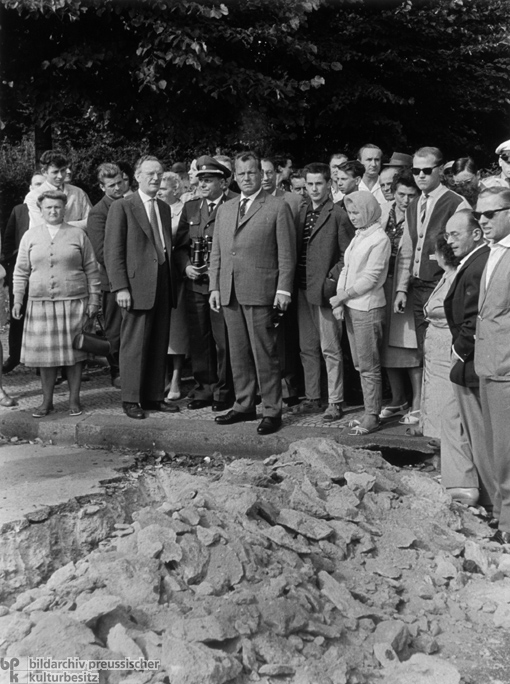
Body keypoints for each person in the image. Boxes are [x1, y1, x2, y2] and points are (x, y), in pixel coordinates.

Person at [209, 151, 296, 435]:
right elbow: (217, 252)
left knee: (265, 353)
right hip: (229, 290)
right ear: (234, 176)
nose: (246, 178)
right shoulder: (225, 208)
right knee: (238, 353)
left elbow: (287, 253)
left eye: (251, 172)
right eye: (241, 173)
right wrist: (214, 287)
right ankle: (244, 404)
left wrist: (283, 289)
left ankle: (272, 410)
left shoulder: (276, 207)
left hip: (261, 291)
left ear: (261, 174)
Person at [104, 155, 187, 420]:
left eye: (159, 174)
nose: (155, 178)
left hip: (163, 283)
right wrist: (120, 288)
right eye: (150, 173)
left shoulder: (162, 208)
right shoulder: (123, 207)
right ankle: (130, 399)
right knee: (134, 345)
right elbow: (113, 251)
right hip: (135, 286)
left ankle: (153, 397)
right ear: (137, 176)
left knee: (158, 342)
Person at [12, 191, 100, 417]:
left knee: (75, 354)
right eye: (49, 207)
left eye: (58, 207)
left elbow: (92, 268)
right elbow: (20, 271)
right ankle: (46, 402)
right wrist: (18, 299)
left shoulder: (78, 235)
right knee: (46, 358)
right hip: (40, 304)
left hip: (73, 303)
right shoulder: (30, 236)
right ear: (40, 210)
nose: (53, 211)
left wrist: (94, 299)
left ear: (65, 209)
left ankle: (74, 400)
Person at [394, 147, 470, 366]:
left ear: (439, 171)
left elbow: (464, 251)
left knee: (444, 351)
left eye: (426, 170)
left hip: (442, 285)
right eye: (416, 170)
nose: (420, 175)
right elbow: (408, 249)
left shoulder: (456, 203)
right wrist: (401, 288)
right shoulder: (414, 204)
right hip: (418, 287)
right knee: (424, 351)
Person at [443, 209, 494, 508]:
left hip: (472, 360)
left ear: (476, 233)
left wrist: (458, 352)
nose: (449, 241)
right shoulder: (475, 261)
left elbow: (476, 317)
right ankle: (464, 485)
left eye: (455, 234)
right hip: (467, 361)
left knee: (477, 428)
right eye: (447, 235)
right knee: (453, 418)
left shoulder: (479, 264)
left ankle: (487, 497)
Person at [296, 162, 354, 421]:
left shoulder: (338, 214)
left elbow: (347, 254)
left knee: (330, 347)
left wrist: (332, 279)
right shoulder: (301, 211)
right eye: (309, 184)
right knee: (307, 346)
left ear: (329, 184)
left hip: (325, 290)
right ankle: (312, 396)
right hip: (301, 287)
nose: (314, 188)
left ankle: (335, 400)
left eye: (319, 183)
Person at [175, 156, 233, 411]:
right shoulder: (192, 208)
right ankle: (204, 389)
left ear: (223, 182)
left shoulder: (234, 204)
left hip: (222, 285)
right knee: (199, 339)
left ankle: (224, 391)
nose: (203, 184)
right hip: (196, 284)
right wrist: (186, 266)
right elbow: (180, 247)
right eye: (201, 180)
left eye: (209, 180)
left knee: (224, 341)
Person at [330, 191, 391, 435]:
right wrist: (339, 300)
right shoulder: (360, 235)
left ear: (368, 211)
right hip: (353, 306)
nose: (353, 217)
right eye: (351, 212)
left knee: (369, 365)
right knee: (359, 363)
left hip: (368, 307)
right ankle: (369, 410)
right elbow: (346, 269)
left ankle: (372, 415)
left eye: (357, 212)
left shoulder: (379, 239)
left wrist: (343, 296)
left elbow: (371, 278)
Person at [474, 188, 510, 544]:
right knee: (494, 446)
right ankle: (500, 515)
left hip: (506, 364)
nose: (482, 221)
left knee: (507, 452)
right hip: (489, 362)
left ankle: (508, 526)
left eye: (490, 214)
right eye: (479, 215)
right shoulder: (493, 252)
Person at [379, 171, 422, 422]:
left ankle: (417, 402)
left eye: (411, 195)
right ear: (393, 193)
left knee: (409, 345)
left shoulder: (418, 215)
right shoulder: (384, 213)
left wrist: (402, 288)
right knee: (385, 344)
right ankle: (398, 399)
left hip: (407, 285)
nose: (406, 200)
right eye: (401, 194)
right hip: (383, 282)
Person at [85, 163, 125, 388]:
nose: (117, 188)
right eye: (111, 185)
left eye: (120, 183)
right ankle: (116, 370)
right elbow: (101, 253)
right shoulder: (99, 212)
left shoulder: (129, 204)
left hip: (134, 279)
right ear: (102, 187)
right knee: (114, 328)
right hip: (111, 281)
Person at [1, 173, 45, 374]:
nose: (39, 189)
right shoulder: (20, 210)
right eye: (36, 184)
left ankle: (42, 360)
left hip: (45, 271)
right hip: (20, 270)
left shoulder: (50, 210)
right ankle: (15, 355)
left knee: (42, 316)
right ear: (30, 187)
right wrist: (11, 261)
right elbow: (9, 238)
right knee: (18, 313)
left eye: (42, 185)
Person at [156, 171, 189, 401]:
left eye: (163, 189)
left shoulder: (184, 209)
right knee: (162, 330)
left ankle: (177, 378)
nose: (159, 193)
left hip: (178, 276)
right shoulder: (154, 209)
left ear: (176, 190)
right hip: (160, 276)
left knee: (177, 331)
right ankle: (163, 377)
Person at [24, 151, 91, 230]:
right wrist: (73, 226)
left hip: (75, 240)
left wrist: (62, 226)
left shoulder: (78, 192)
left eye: (63, 171)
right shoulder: (34, 196)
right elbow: (41, 227)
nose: (60, 176)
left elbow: (91, 221)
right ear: (44, 172)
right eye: (55, 172)